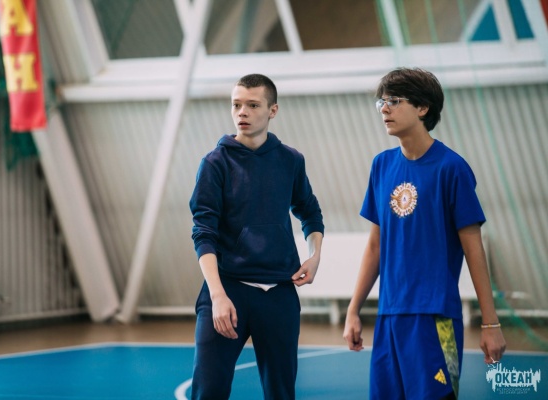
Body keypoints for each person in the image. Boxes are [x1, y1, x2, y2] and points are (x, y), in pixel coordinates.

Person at [343, 67, 506, 399]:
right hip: (389, 316)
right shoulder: (381, 165)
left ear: (422, 108)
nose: (384, 109)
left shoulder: (452, 168)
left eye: (394, 101)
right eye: (381, 102)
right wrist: (353, 309)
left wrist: (490, 324)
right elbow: (375, 246)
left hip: (437, 317)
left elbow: (473, 249)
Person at [189, 73, 324, 399]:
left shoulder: (291, 160)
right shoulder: (215, 163)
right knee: (208, 391)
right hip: (227, 291)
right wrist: (218, 296)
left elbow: (310, 212)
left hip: (279, 295)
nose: (242, 112)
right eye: (236, 105)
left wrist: (315, 256)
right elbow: (203, 233)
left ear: (272, 110)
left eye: (252, 105)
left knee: (281, 393)